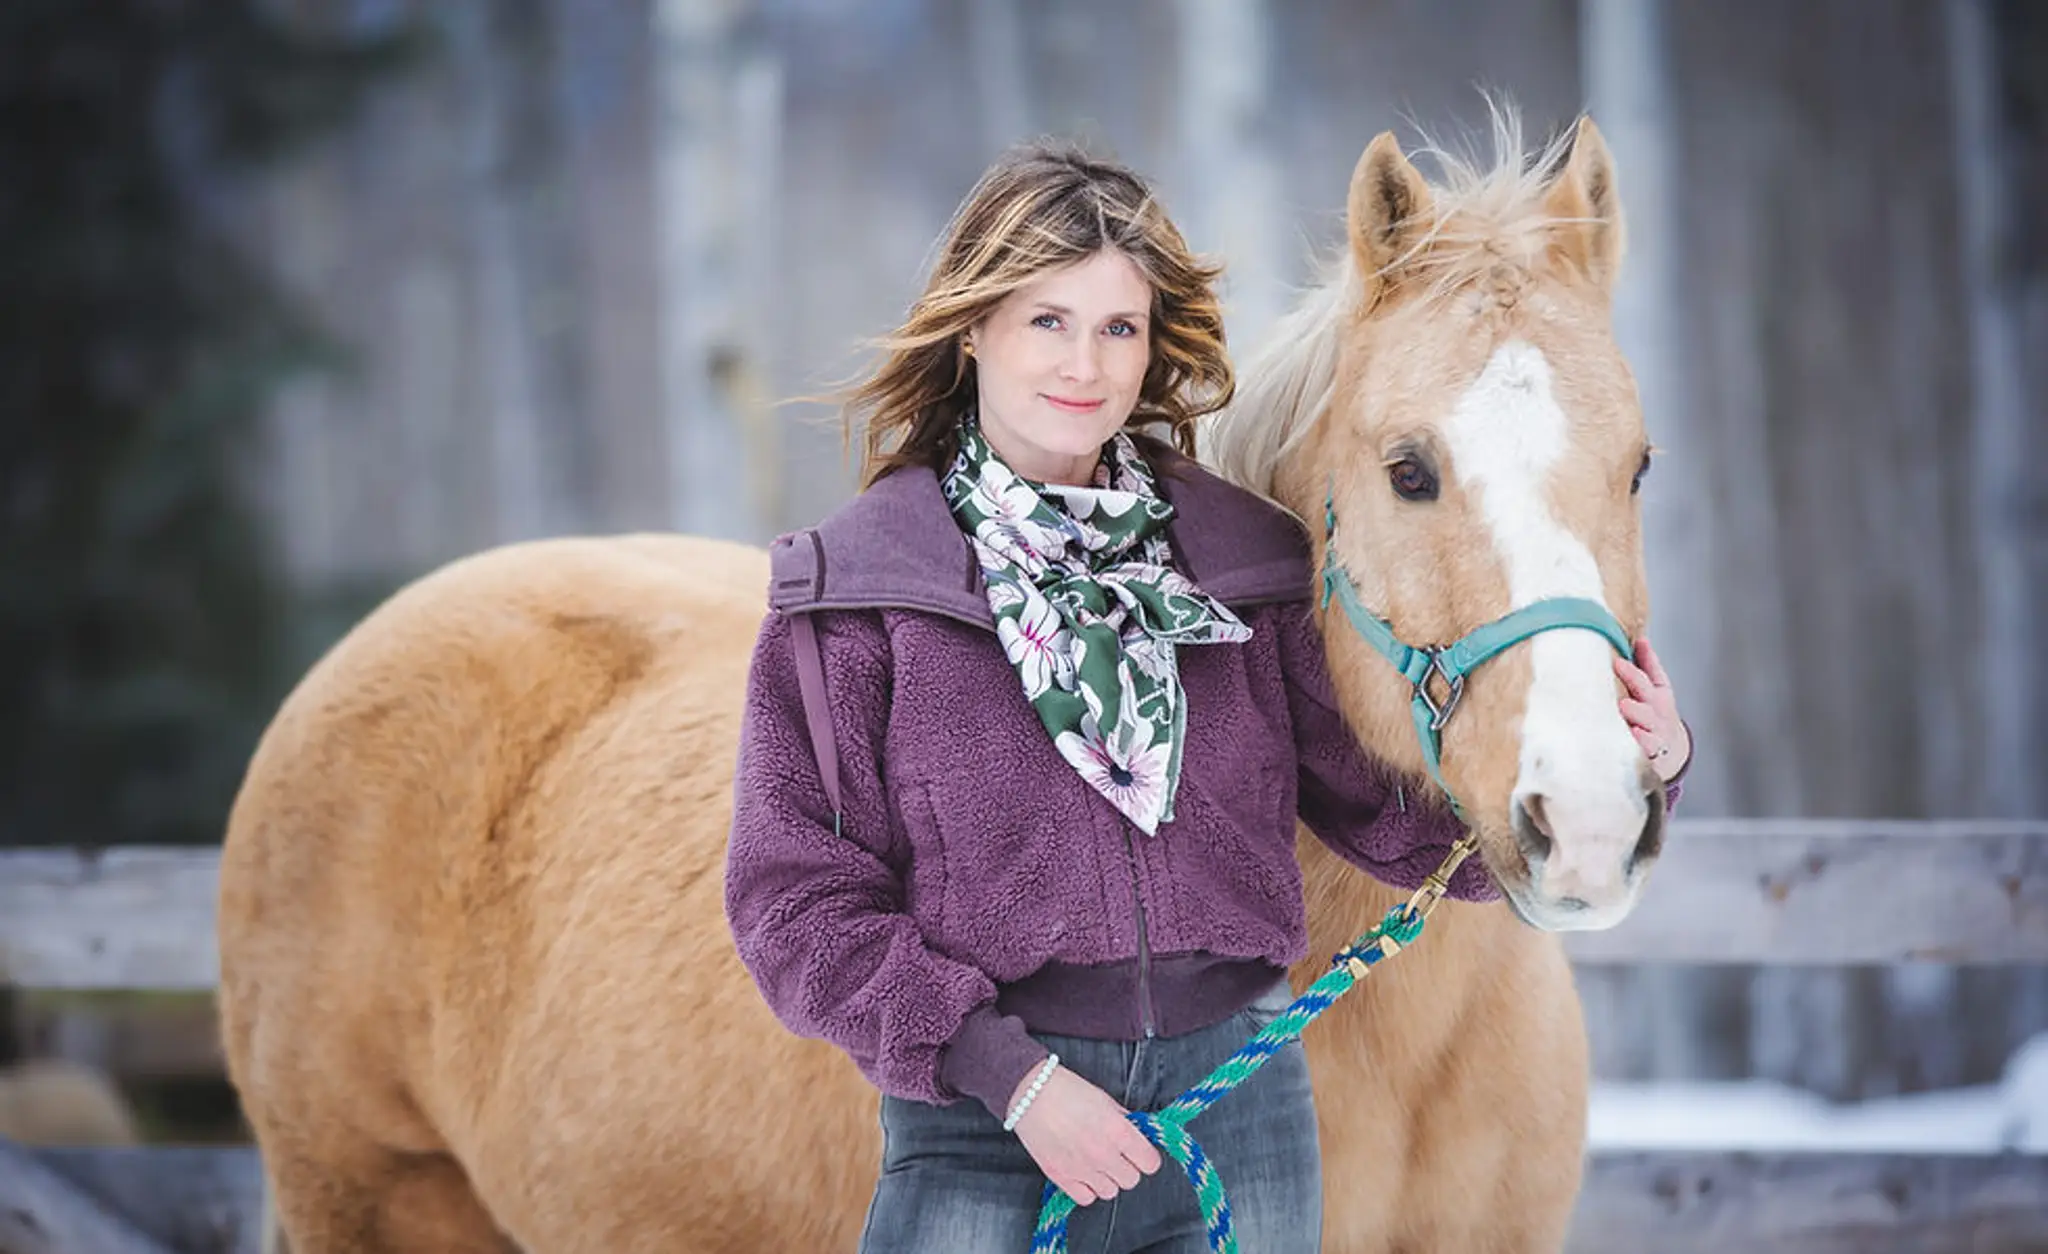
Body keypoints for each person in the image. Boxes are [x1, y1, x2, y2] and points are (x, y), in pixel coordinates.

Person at [723, 142, 1691, 1254]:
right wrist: (1012, 1081)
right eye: (1046, 320)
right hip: (986, 1124)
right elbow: (793, 907)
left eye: (1117, 327)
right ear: (972, 328)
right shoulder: (855, 597)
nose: (1083, 363)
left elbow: (1391, 827)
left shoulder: (1239, 570)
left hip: (1238, 1110)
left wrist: (1625, 765)